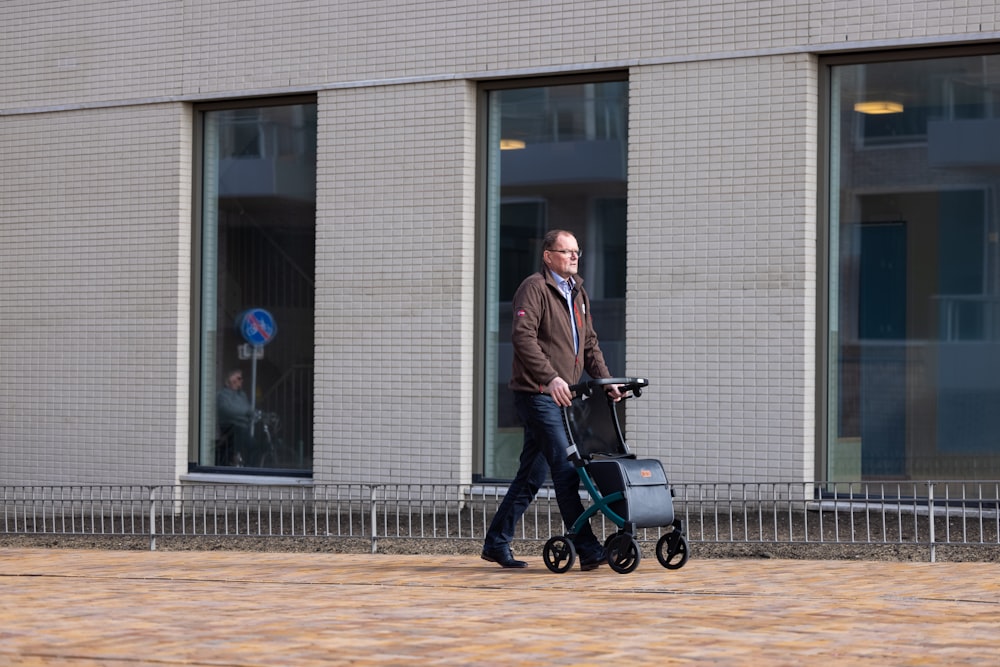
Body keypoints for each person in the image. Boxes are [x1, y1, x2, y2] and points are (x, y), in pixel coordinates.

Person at [482, 229, 622, 570]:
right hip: (537, 394)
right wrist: (551, 376)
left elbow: (589, 344)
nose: (574, 256)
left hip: (562, 398)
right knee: (565, 468)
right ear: (548, 256)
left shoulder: (579, 293)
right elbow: (523, 338)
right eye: (566, 251)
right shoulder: (535, 288)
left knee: (531, 476)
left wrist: (605, 382)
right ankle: (588, 548)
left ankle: (496, 543)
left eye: (577, 251)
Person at [216, 369, 255, 466]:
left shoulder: (242, 395)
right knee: (244, 439)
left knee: (255, 442)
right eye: (238, 378)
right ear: (230, 379)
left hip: (243, 426)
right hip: (230, 427)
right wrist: (245, 412)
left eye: (241, 378)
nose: (241, 381)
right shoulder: (223, 394)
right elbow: (226, 410)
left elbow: (248, 408)